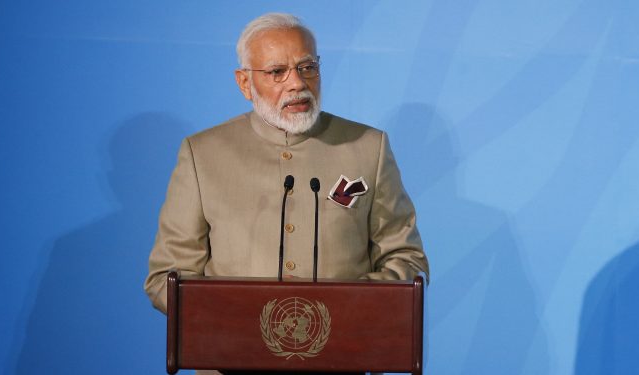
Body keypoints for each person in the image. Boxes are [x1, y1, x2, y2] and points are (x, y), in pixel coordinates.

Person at [144, 12, 429, 375]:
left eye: (307, 67)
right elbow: (166, 279)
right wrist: (244, 317)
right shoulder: (202, 154)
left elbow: (406, 259)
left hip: (344, 364)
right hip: (231, 364)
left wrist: (343, 307)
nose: (297, 83)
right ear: (245, 83)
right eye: (277, 72)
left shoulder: (367, 147)